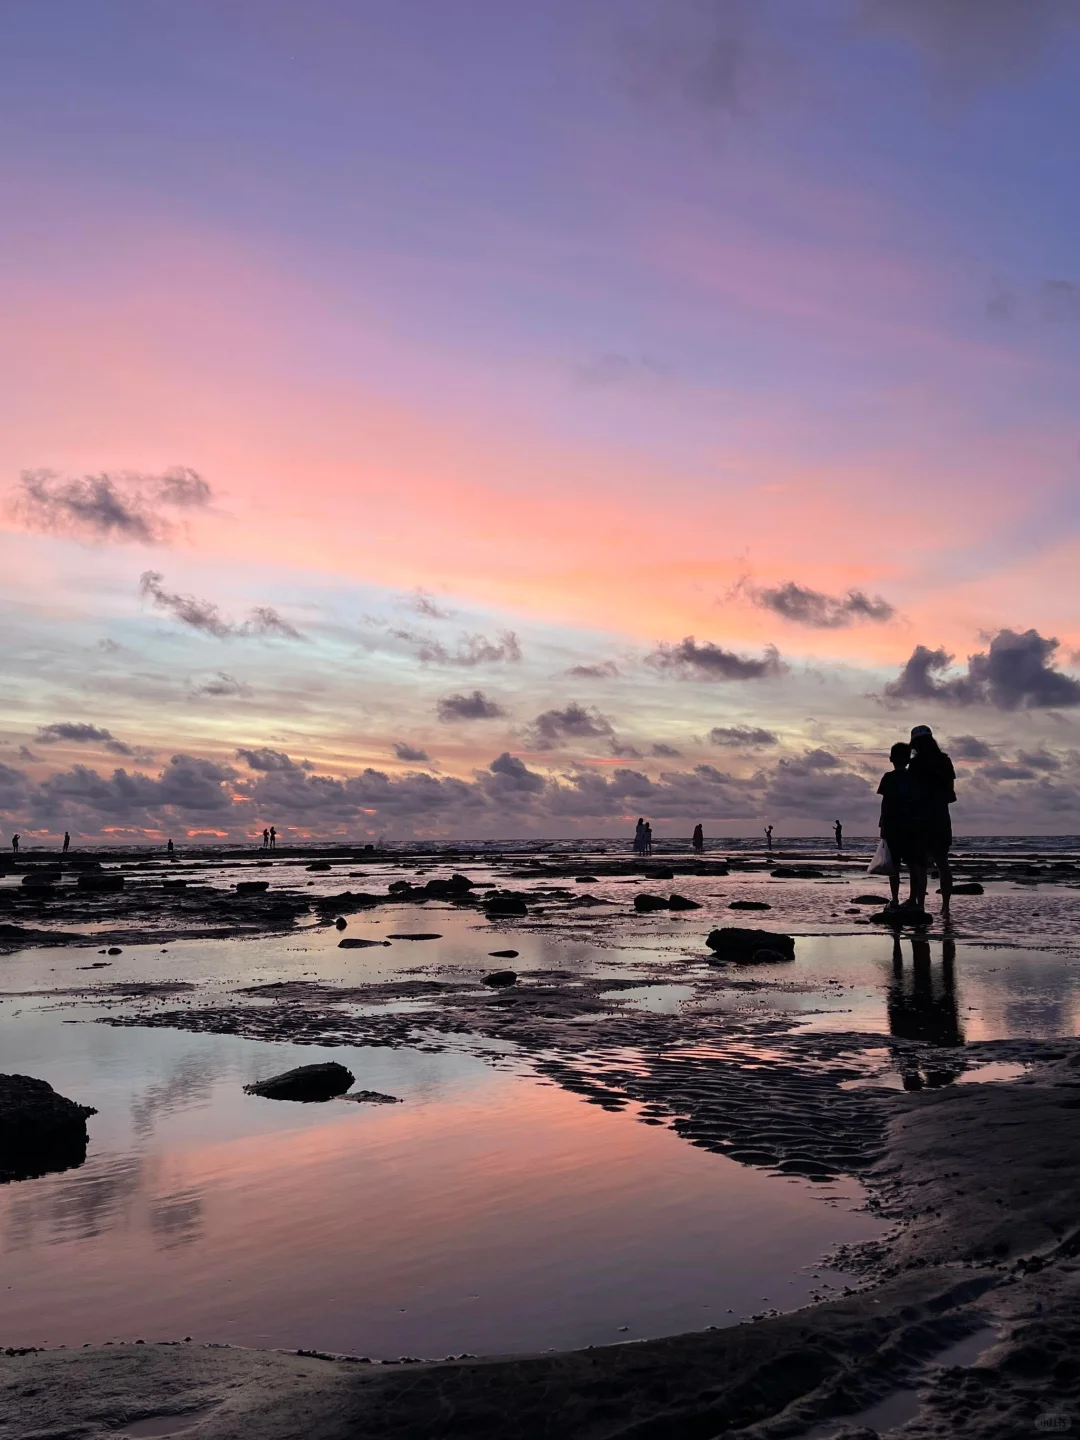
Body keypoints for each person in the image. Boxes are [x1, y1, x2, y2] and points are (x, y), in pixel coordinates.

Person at [908, 725, 957, 921]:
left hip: (920, 818)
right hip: (940, 817)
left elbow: (911, 793)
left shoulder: (915, 764)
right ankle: (945, 906)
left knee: (919, 864)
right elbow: (951, 793)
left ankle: (919, 905)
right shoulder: (944, 761)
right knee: (942, 862)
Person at [876, 741, 927, 912]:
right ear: (908, 760)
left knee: (894, 866)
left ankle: (896, 899)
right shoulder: (913, 778)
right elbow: (918, 802)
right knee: (913, 865)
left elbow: (885, 802)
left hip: (892, 826)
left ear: (891, 759)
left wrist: (882, 823)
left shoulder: (888, 778)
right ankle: (914, 901)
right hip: (911, 826)